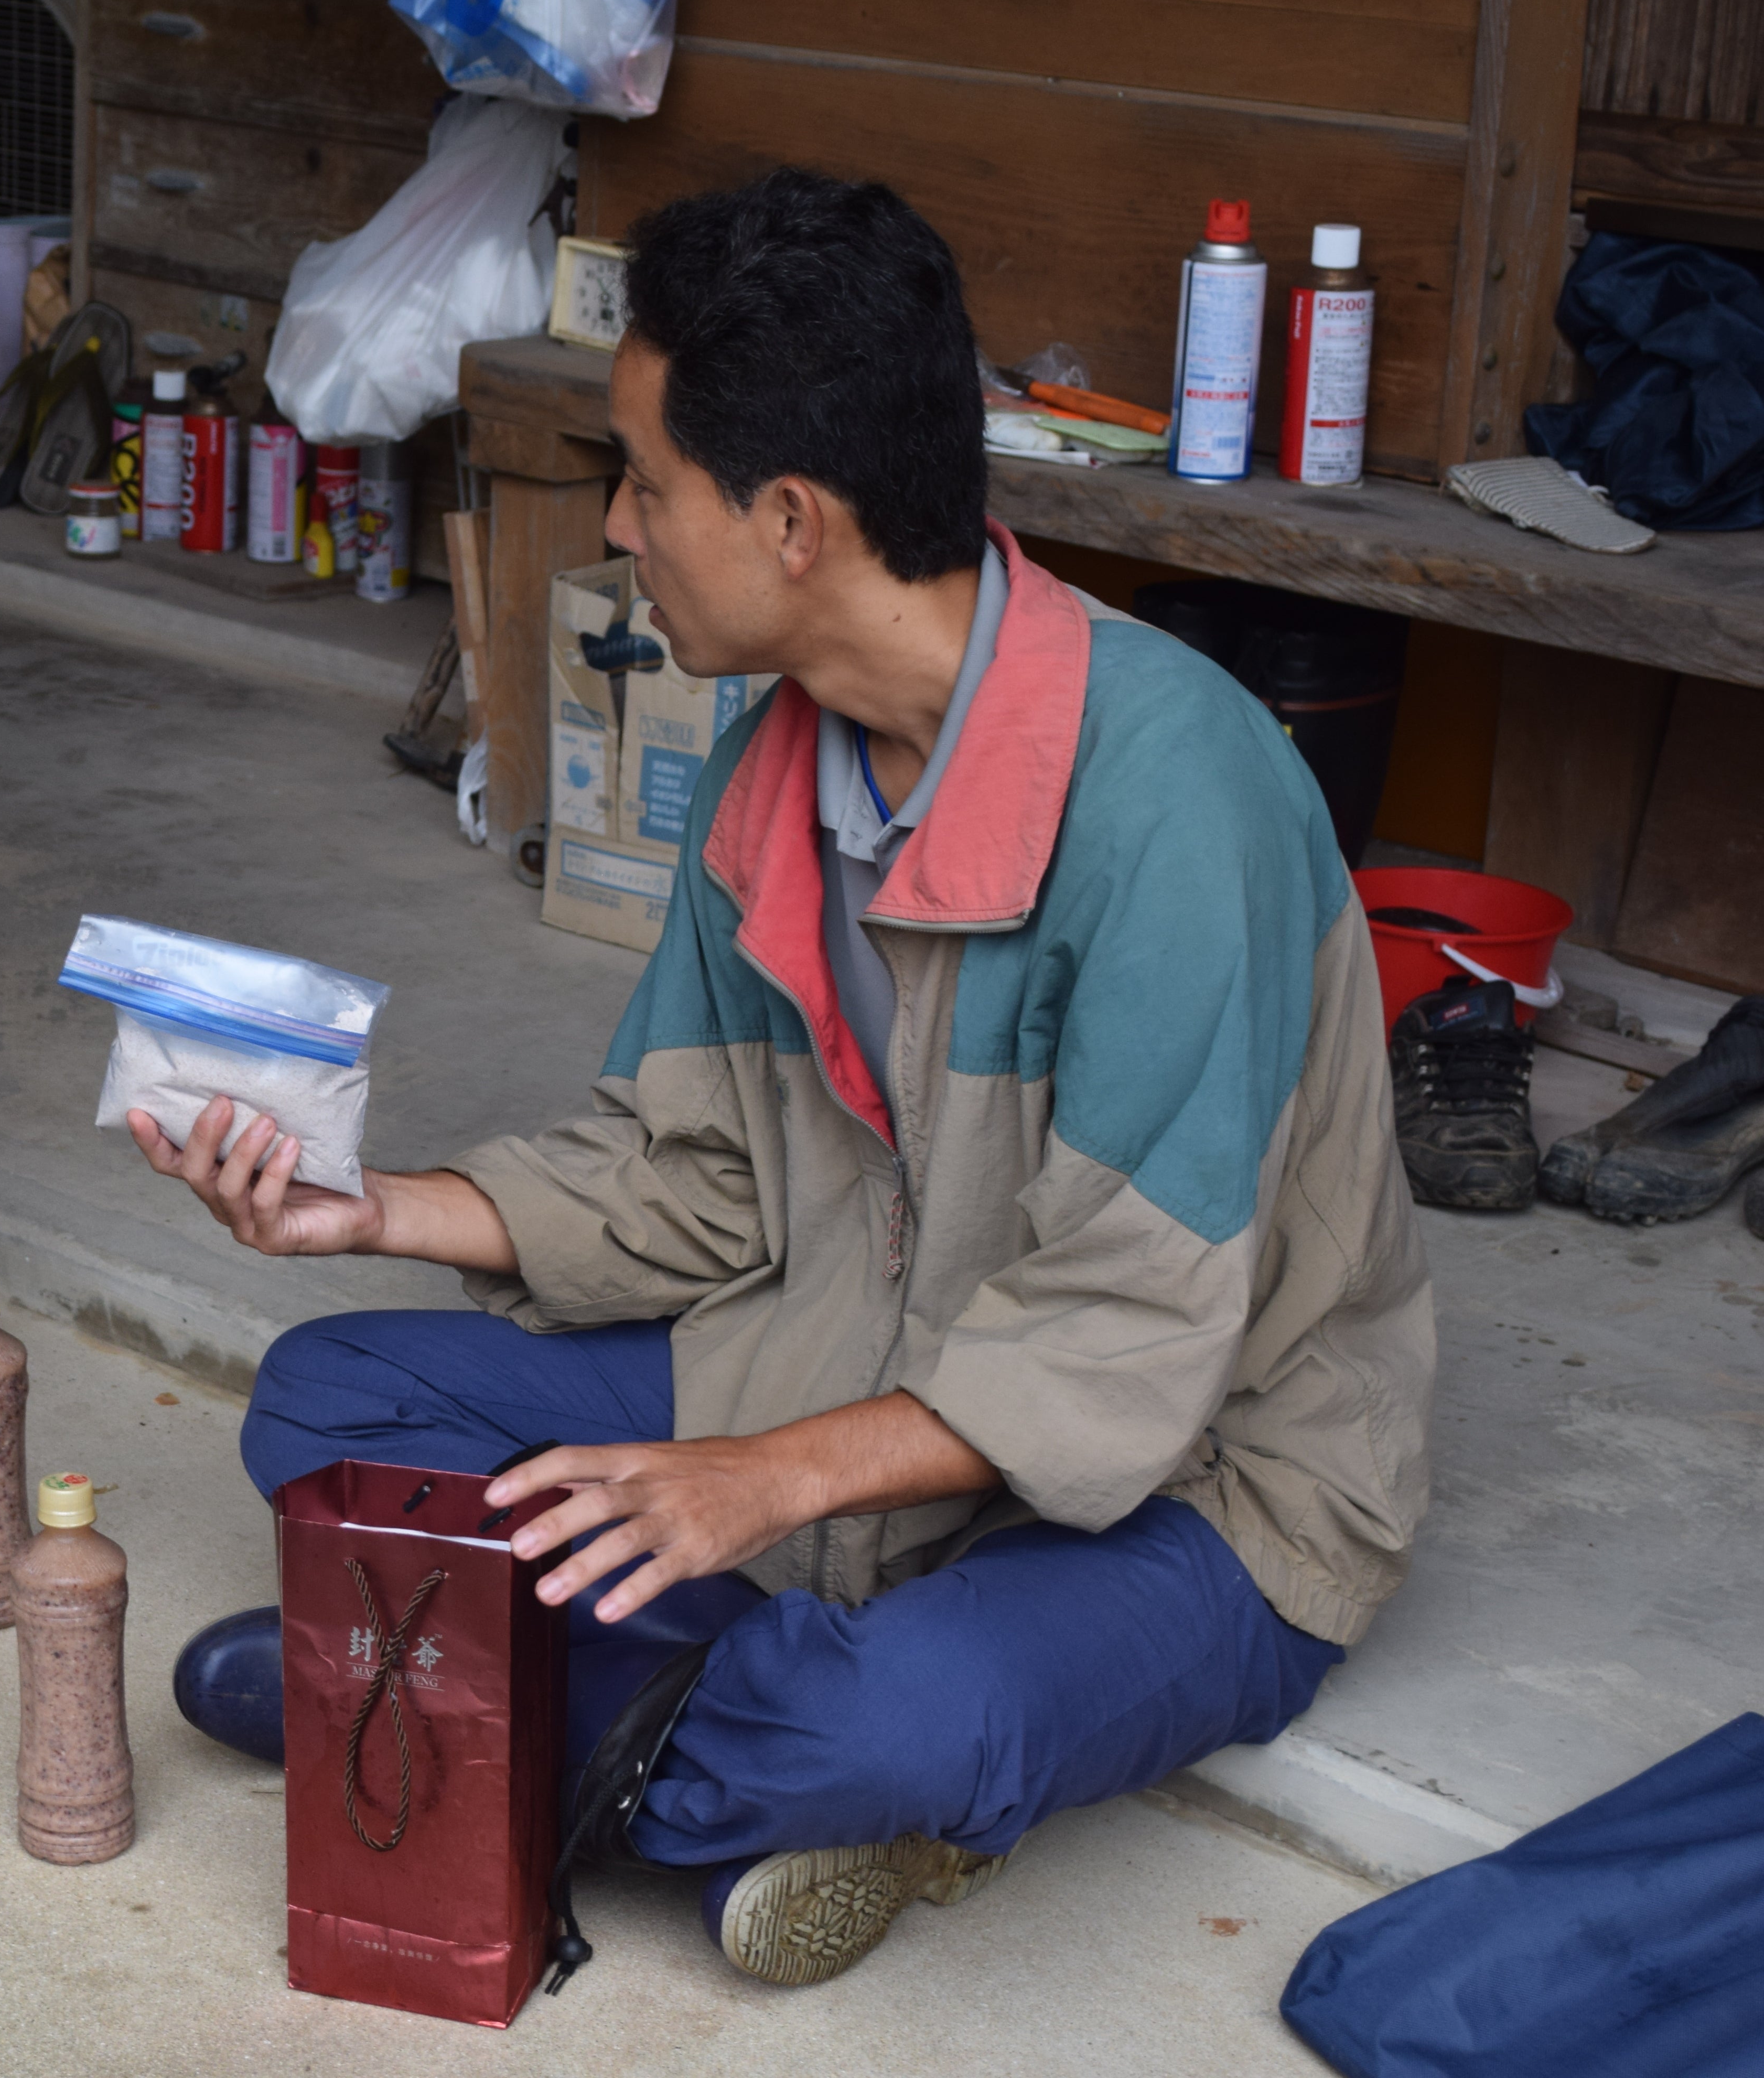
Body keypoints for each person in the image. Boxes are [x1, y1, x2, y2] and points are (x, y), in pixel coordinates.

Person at [141, 170, 1433, 1986]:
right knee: (332, 1402)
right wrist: (377, 1210)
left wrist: (759, 1482)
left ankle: (476, 1699)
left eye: (644, 483)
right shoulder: (777, 764)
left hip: (1202, 1488)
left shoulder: (1179, 807)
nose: (623, 527)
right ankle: (651, 1732)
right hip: (846, 1358)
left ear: (793, 521)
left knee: (903, 1713)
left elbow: (1128, 1337)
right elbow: (698, 1179)